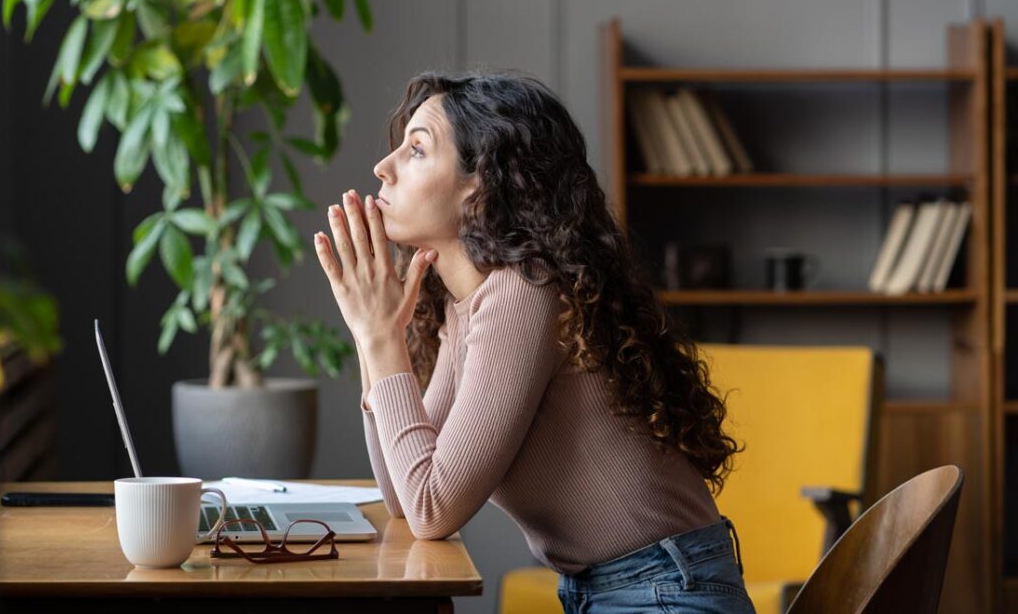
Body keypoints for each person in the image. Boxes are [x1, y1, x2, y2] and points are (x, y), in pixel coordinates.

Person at [313, 69, 754, 613]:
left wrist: (382, 340)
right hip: (628, 590)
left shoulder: (524, 293)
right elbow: (406, 498)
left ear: (481, 185)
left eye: (417, 150)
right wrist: (371, 335)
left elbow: (432, 507)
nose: (384, 167)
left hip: (664, 594)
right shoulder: (471, 308)